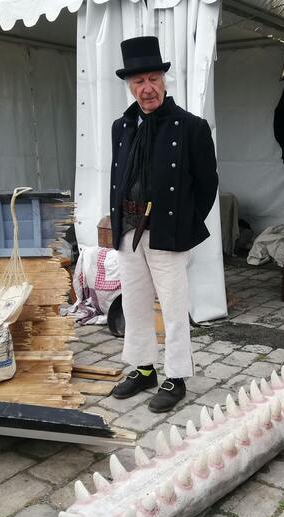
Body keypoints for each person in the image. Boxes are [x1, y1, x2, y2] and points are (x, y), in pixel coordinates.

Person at [108, 36, 218, 413]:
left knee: (173, 307)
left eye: (153, 78)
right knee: (136, 304)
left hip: (167, 232)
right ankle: (143, 368)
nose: (147, 88)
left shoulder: (191, 127)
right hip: (128, 229)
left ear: (164, 81)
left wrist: (184, 224)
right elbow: (118, 177)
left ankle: (175, 375)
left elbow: (207, 185)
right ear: (130, 85)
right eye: (139, 81)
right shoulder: (120, 128)